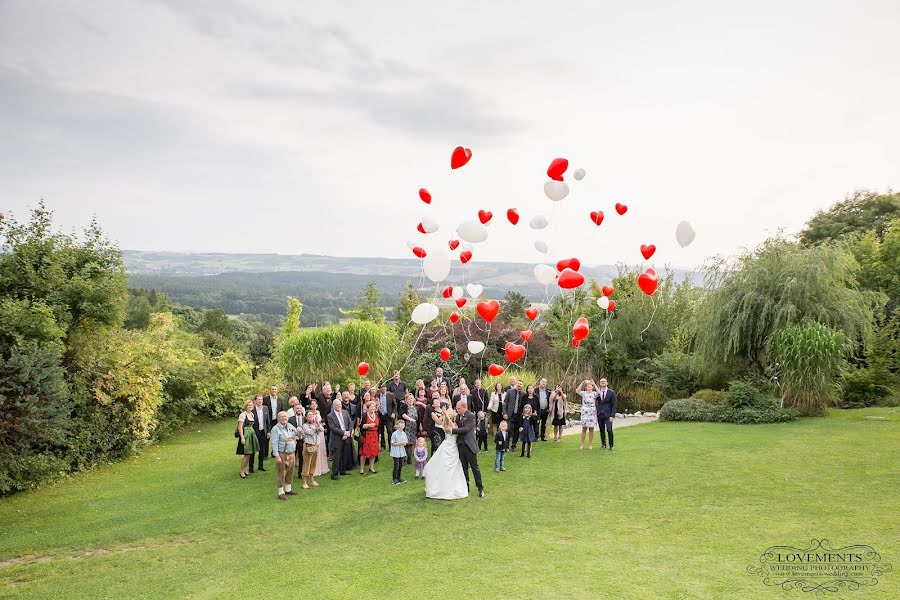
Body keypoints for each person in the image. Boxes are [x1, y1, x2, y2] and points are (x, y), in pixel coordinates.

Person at [423, 408, 468, 500]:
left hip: (453, 446)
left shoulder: (452, 421)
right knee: (447, 466)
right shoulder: (447, 423)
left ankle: (452, 486)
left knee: (454, 466)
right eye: (453, 412)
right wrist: (446, 414)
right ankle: (444, 489)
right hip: (449, 446)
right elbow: (454, 429)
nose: (455, 412)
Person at [451, 399, 484, 498]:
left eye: (458, 408)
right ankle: (466, 486)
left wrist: (452, 430)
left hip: (469, 445)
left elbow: (466, 429)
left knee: (474, 467)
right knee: (463, 468)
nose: (457, 410)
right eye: (456, 408)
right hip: (460, 445)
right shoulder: (457, 416)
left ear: (464, 407)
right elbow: (456, 424)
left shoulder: (471, 416)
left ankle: (480, 488)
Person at [270, 411, 299, 500]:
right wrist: (277, 456)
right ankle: (280, 492)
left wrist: (299, 431)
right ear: (278, 419)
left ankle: (288, 489)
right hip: (282, 454)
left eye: (285, 417)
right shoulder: (275, 429)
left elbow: (298, 434)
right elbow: (274, 443)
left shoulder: (289, 426)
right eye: (282, 417)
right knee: (281, 472)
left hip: (291, 453)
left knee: (290, 471)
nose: (284, 418)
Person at [327, 399, 352, 480]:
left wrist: (349, 432)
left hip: (346, 437)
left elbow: (350, 423)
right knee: (337, 457)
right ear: (334, 406)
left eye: (339, 404)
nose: (339, 406)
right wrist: (344, 433)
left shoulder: (345, 412)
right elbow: (332, 428)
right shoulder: (330, 416)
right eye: (337, 405)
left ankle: (343, 470)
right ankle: (334, 474)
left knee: (345, 455)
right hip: (337, 439)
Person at [300, 410, 324, 489]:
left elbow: (322, 430)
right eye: (309, 415)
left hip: (316, 446)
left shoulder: (316, 424)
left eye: (312, 415)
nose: (311, 416)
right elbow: (309, 432)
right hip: (308, 446)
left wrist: (317, 423)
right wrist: (315, 426)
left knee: (313, 463)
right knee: (307, 464)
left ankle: (312, 480)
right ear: (306, 417)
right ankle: (304, 482)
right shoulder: (304, 425)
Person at [236, 400, 259, 478]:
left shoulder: (251, 414)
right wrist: (242, 438)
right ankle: (242, 471)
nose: (250, 407)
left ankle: (245, 469)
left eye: (252, 405)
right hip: (246, 435)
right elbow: (240, 427)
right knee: (246, 454)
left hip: (251, 434)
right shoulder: (243, 415)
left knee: (249, 454)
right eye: (249, 405)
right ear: (246, 406)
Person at [576, 380, 600, 450]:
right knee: (584, 428)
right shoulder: (583, 393)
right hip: (585, 412)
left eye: (590, 385)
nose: (589, 386)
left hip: (592, 412)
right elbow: (577, 391)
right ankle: (582, 444)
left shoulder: (594, 394)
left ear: (592, 387)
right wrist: (583, 382)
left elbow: (600, 393)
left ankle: (590, 444)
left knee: (591, 429)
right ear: (586, 387)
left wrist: (594, 384)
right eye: (588, 385)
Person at [309, 399, 330, 478]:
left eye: (315, 404)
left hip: (320, 432)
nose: (314, 405)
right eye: (312, 404)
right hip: (313, 432)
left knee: (321, 449)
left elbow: (320, 421)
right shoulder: (309, 413)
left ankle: (322, 467)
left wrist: (321, 424)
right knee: (315, 449)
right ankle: (314, 469)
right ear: (310, 405)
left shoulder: (318, 412)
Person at [251, 394, 271, 473]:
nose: (260, 401)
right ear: (255, 401)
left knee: (262, 450)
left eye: (261, 399)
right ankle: (251, 467)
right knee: (253, 451)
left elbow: (267, 421)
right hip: (255, 432)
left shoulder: (265, 408)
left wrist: (269, 431)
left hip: (263, 432)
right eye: (258, 399)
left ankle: (260, 466)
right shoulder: (252, 410)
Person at [597, 378, 618, 451]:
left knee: (609, 430)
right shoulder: (598, 393)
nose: (602, 383)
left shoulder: (611, 392)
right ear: (599, 383)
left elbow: (614, 404)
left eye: (604, 381)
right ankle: (603, 444)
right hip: (600, 414)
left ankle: (611, 445)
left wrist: (612, 415)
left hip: (608, 415)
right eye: (601, 382)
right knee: (601, 430)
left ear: (607, 383)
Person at [359, 400, 380, 474]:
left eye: (374, 407)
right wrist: (368, 425)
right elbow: (361, 426)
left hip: (374, 435)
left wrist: (379, 435)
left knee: (373, 452)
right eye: (371, 407)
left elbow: (379, 426)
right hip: (367, 435)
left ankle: (371, 467)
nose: (373, 408)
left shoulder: (376, 414)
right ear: (368, 408)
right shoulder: (364, 415)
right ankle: (361, 468)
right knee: (364, 453)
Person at [287, 398, 306, 477]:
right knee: (292, 457)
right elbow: (288, 430)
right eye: (297, 408)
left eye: (300, 408)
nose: (299, 410)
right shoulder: (290, 419)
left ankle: (300, 472)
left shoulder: (305, 418)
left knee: (302, 456)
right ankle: (289, 473)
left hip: (302, 440)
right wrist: (294, 437)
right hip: (293, 440)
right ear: (294, 409)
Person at [376, 382, 397, 451]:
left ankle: (391, 446)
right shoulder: (377, 396)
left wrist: (393, 413)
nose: (383, 388)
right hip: (380, 416)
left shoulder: (390, 395)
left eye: (384, 387)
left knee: (390, 430)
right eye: (381, 387)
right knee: (381, 431)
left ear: (386, 388)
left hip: (388, 416)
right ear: (380, 389)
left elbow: (395, 405)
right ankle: (383, 446)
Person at [504, 381, 524, 452]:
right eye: (518, 383)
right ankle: (506, 446)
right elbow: (505, 403)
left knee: (516, 432)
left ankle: (513, 446)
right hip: (510, 415)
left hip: (518, 416)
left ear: (522, 386)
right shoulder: (510, 391)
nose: (519, 385)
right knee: (508, 430)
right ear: (516, 384)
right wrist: (505, 413)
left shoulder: (523, 394)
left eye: (521, 384)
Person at [400, 393, 418, 463]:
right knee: (404, 444)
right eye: (409, 399)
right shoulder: (403, 406)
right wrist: (410, 419)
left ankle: (409, 460)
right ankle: (403, 460)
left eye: (411, 398)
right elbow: (403, 414)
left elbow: (417, 418)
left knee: (410, 443)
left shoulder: (415, 408)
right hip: (405, 427)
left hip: (413, 428)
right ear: (406, 400)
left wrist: (420, 426)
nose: (410, 400)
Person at [390, 420, 408, 485]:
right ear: (397, 426)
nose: (401, 427)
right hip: (396, 452)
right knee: (396, 465)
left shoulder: (404, 433)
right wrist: (400, 442)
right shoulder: (394, 434)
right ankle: (394, 479)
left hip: (401, 452)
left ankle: (399, 478)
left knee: (400, 465)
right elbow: (392, 443)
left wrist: (404, 443)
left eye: (403, 425)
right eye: (400, 425)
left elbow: (406, 442)